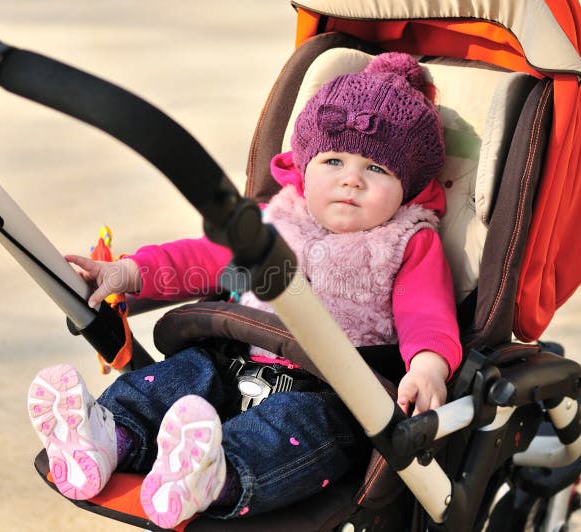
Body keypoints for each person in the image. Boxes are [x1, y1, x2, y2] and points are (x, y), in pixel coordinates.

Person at [28, 52, 462, 528]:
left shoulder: (407, 241)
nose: (351, 179)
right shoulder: (276, 220)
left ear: (409, 187)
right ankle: (108, 440)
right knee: (179, 376)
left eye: (377, 169)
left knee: (287, 432)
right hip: (234, 358)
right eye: (333, 159)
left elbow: (428, 313)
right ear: (303, 166)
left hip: (329, 392)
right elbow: (199, 259)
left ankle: (212, 476)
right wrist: (130, 272)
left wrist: (427, 367)